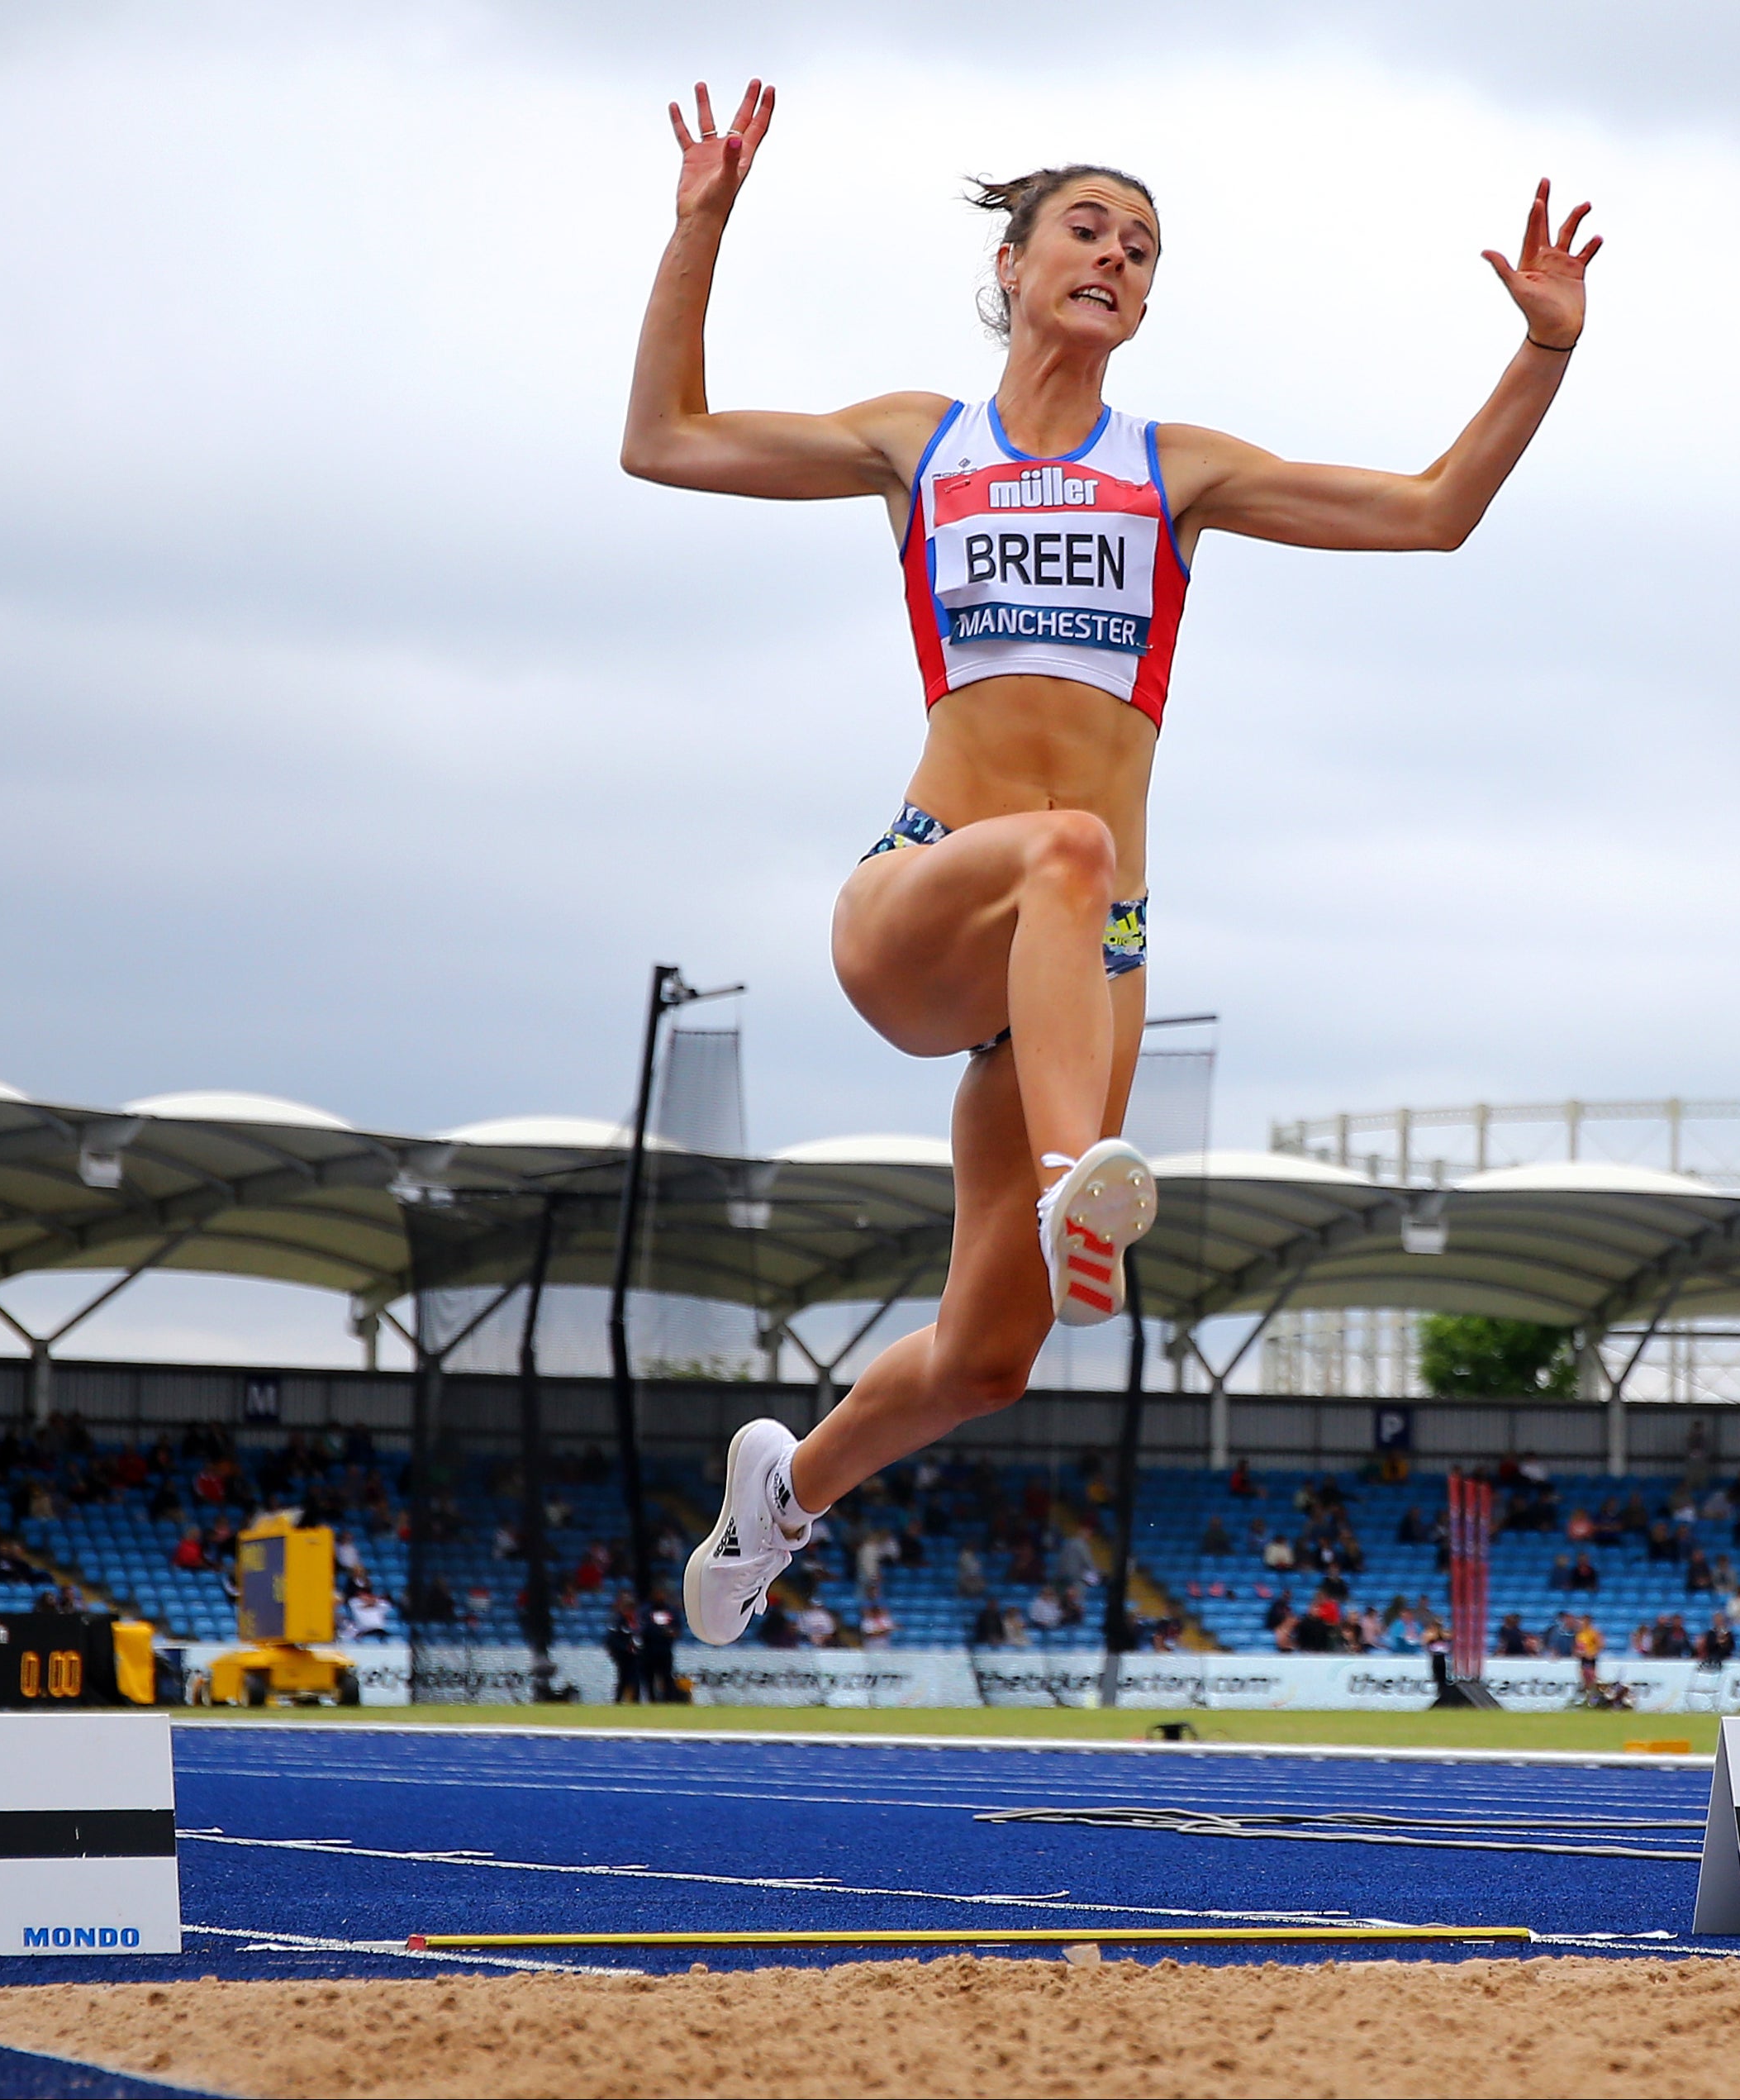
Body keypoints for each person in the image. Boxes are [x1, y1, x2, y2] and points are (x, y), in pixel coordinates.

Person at [630, 79, 1600, 1646]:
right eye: (1086, 229)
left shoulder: (1177, 468)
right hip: (926, 891)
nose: (1116, 259)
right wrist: (700, 227)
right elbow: (662, 438)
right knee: (1068, 845)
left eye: (1143, 250)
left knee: (986, 1358)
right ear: (1008, 268)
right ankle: (1083, 1172)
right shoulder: (914, 444)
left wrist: (1541, 347)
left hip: (1086, 959)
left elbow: (1431, 514)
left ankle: (781, 1497)